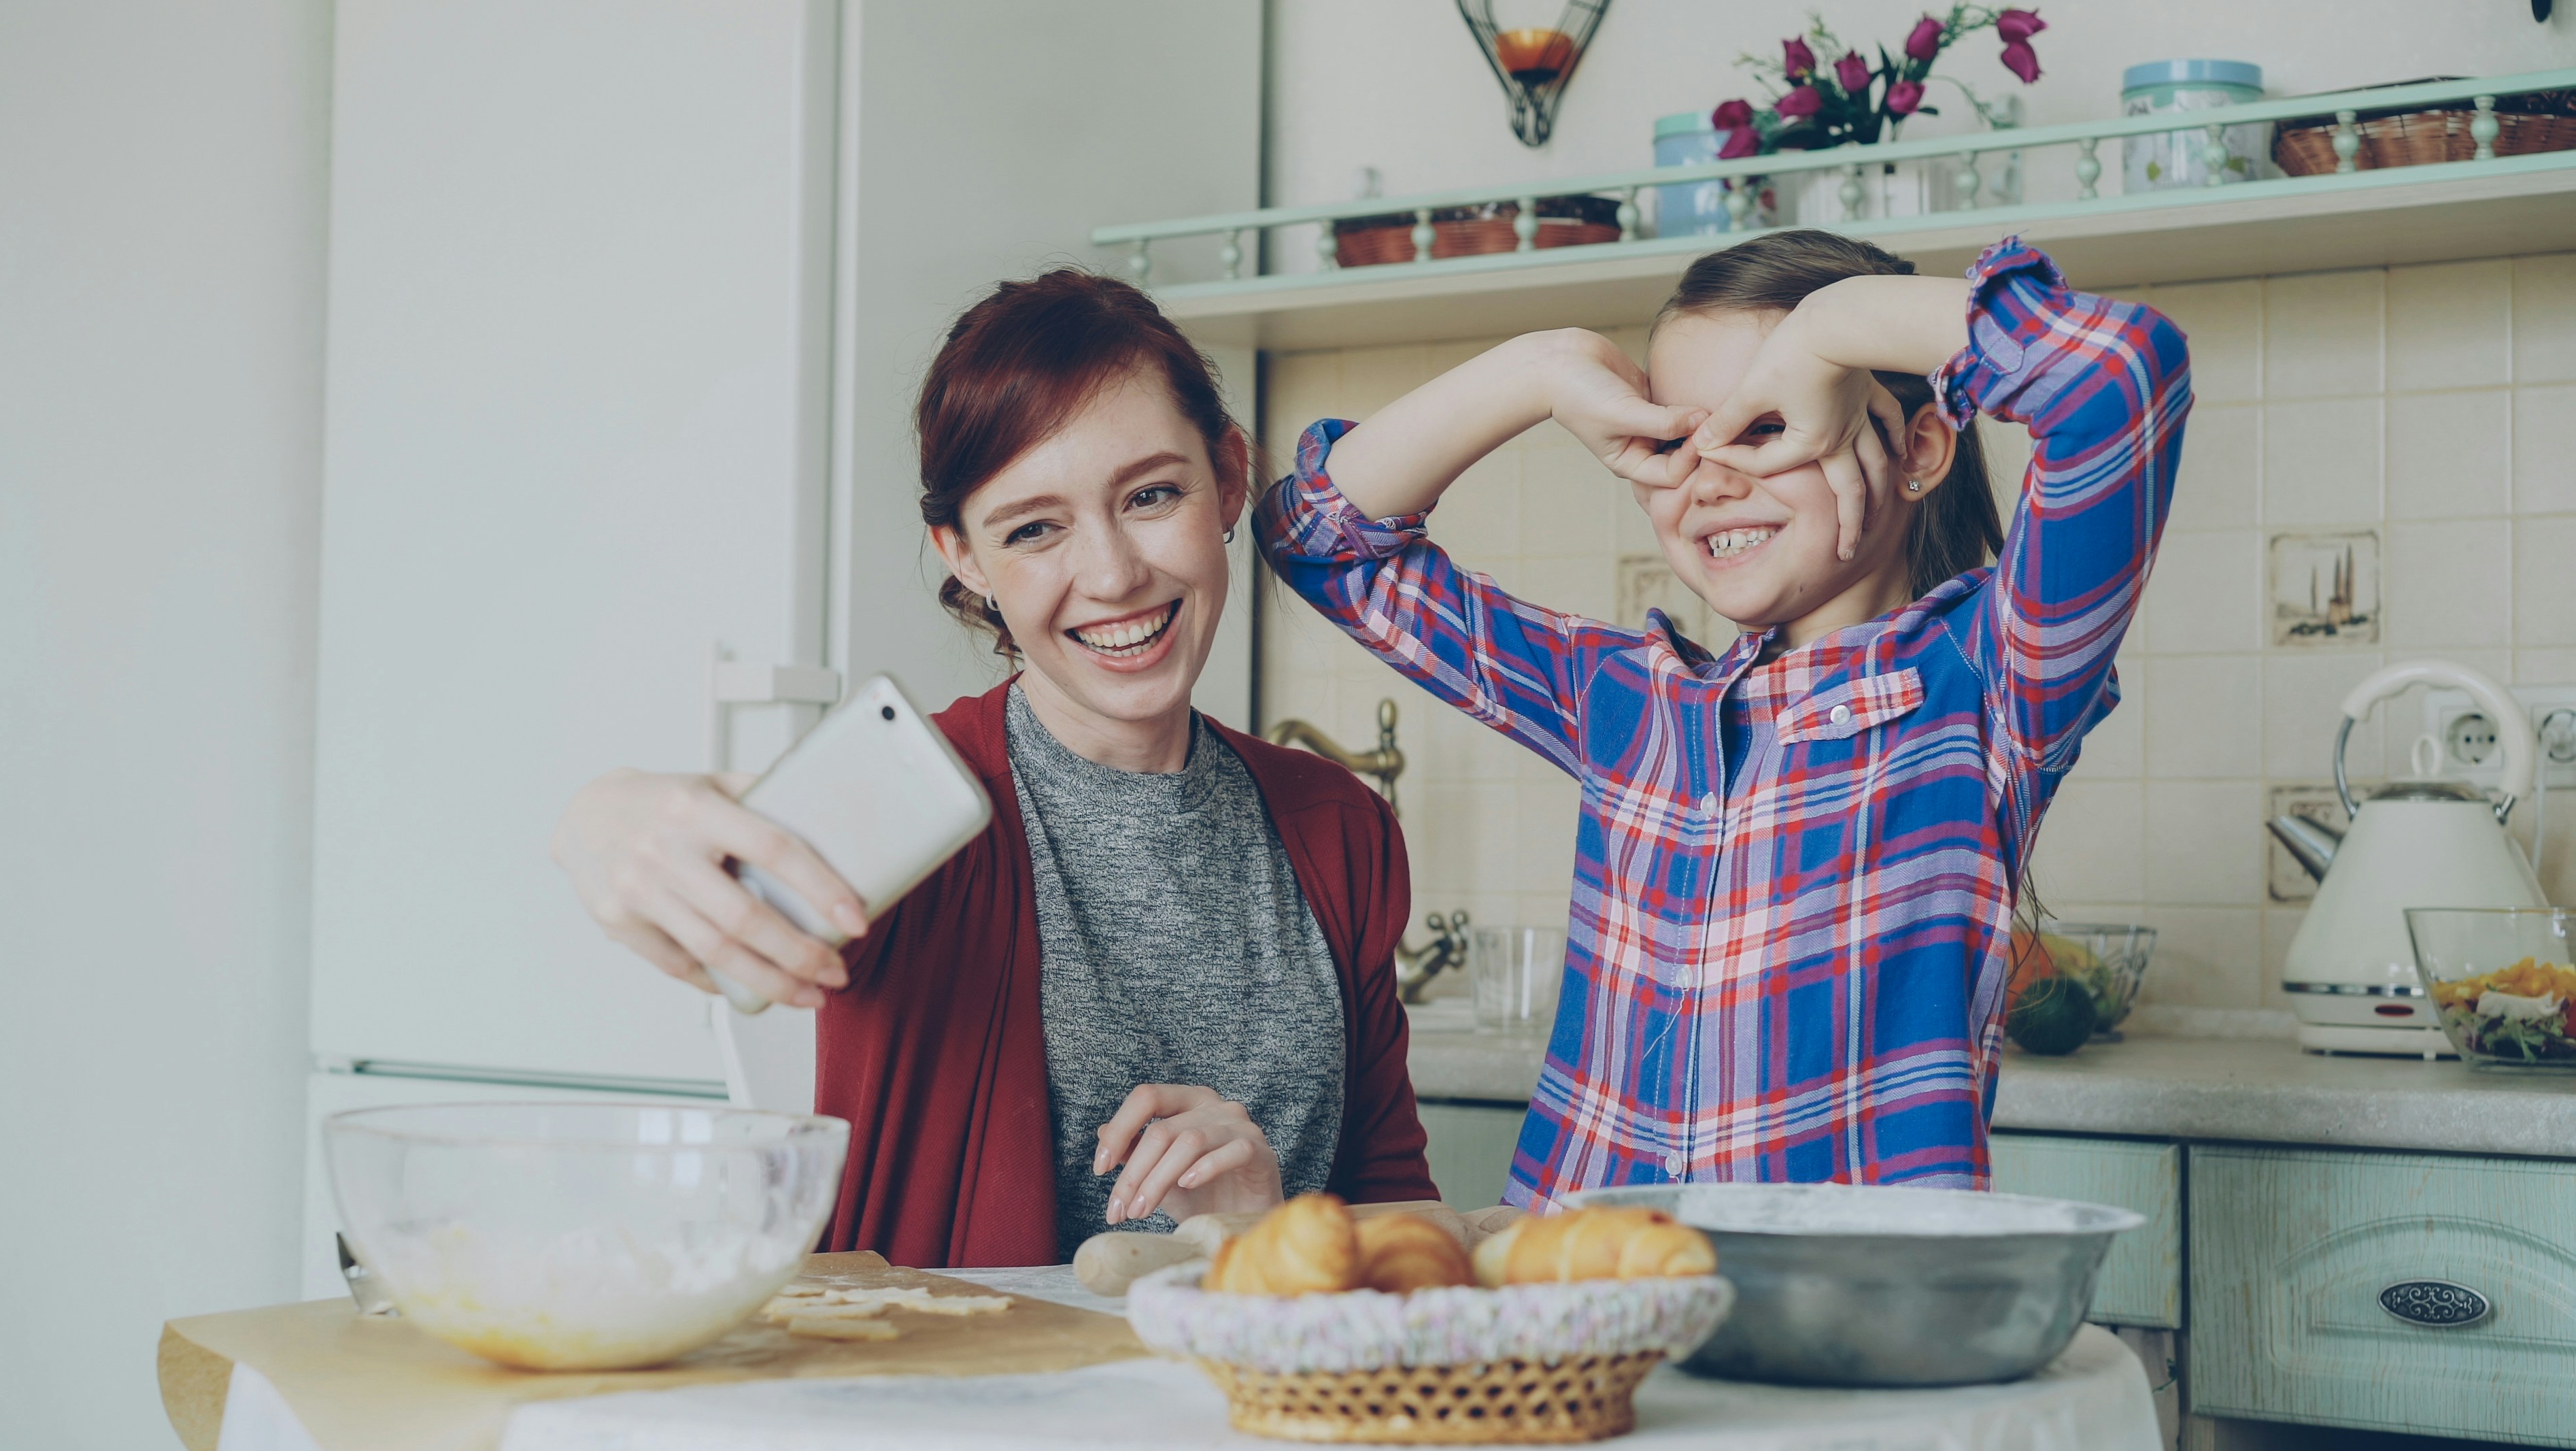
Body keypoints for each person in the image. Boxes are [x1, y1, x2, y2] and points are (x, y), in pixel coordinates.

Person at [1256, 233, 2190, 1205]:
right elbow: (1320, 539)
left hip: (1834, 1324)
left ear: (1916, 447)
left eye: (1765, 427)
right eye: (1675, 442)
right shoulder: (1626, 696)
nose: (1707, 481)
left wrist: (1834, 328)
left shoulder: (1987, 683)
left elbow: (2120, 377)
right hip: (1585, 1310)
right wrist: (1536, 370)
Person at [552, 269, 1436, 1267]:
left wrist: (1268, 1229)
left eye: (1151, 494)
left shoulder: (1336, 827)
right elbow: (675, 860)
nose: (1111, 574)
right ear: (963, 554)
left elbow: (1401, 1226)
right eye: (1033, 528)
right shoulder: (901, 805)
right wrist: (601, 819)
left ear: (1227, 479)